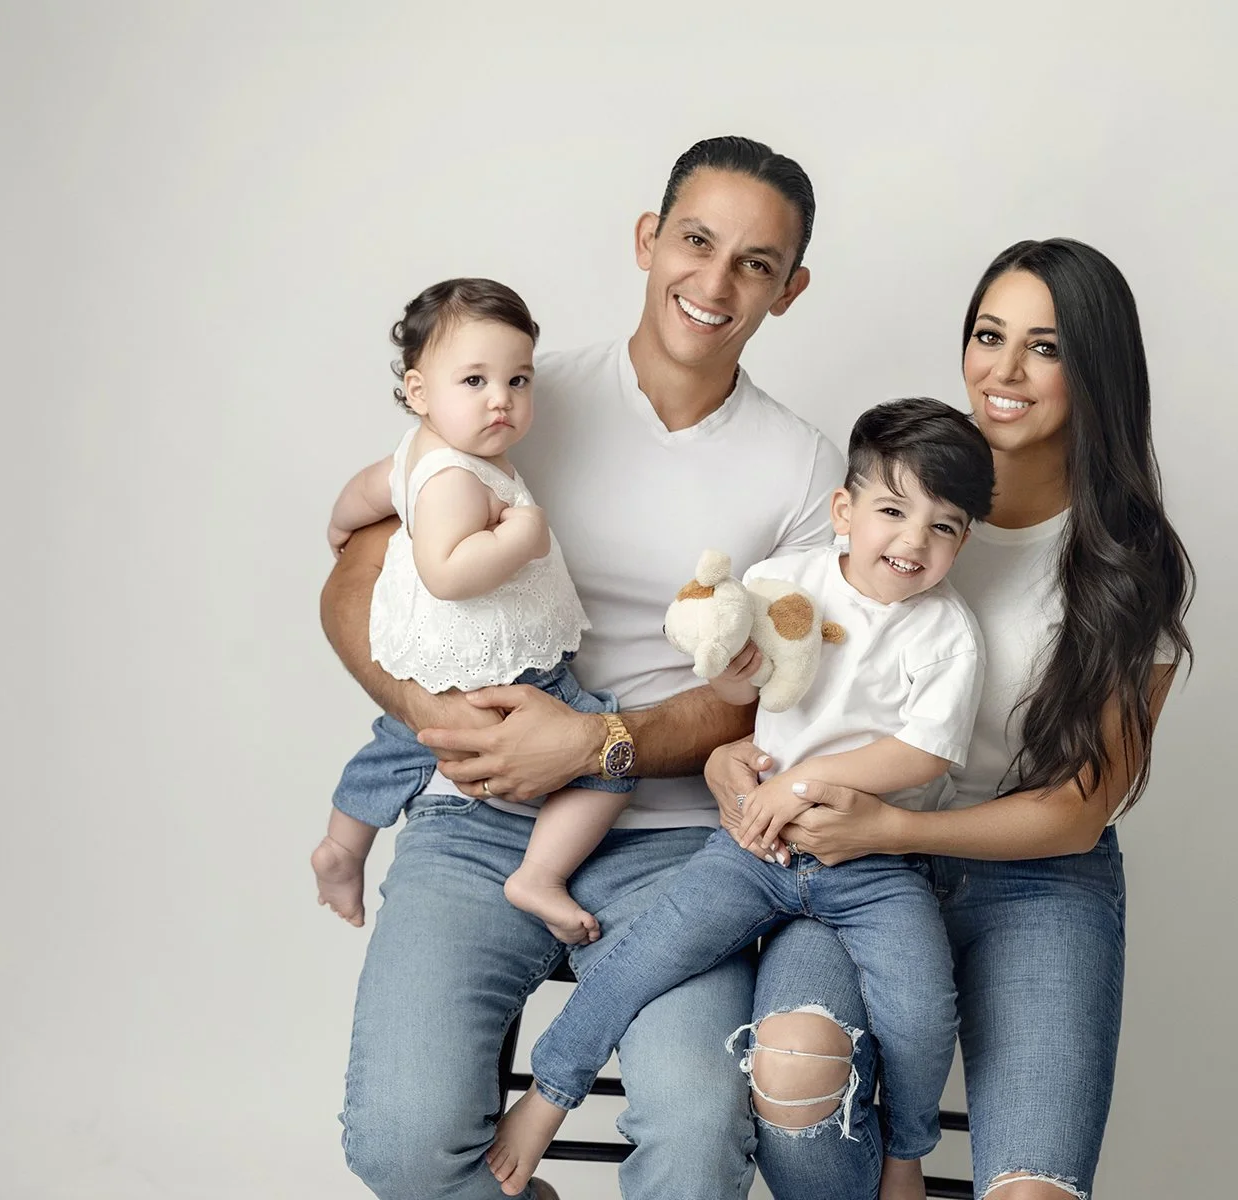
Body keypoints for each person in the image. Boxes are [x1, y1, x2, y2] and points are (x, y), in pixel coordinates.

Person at [320, 136, 840, 1200]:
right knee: (403, 1145)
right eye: (695, 241)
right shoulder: (512, 395)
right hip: (478, 820)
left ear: (788, 291)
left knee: (696, 1140)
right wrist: (441, 718)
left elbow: (781, 690)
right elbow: (357, 573)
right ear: (648, 240)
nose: (715, 282)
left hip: (676, 842)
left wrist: (593, 743)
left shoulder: (803, 469)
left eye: (755, 263)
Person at [710, 238, 1193, 1200]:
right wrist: (733, 754)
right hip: (851, 864)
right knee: (793, 1076)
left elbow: (1081, 811)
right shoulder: (894, 494)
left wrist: (895, 825)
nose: (1003, 372)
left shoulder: (1128, 558)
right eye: (988, 336)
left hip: (1036, 879)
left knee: (1031, 1192)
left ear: (1096, 369)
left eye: (1045, 348)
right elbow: (789, 672)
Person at [486, 398, 994, 1200]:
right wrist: (727, 672)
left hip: (872, 866)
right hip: (754, 848)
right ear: (845, 510)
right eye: (894, 512)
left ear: (962, 542)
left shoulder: (948, 635)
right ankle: (548, 1095)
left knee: (924, 1007)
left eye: (944, 527)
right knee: (643, 955)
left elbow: (922, 752)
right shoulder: (787, 582)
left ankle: (905, 1152)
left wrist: (804, 783)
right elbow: (740, 691)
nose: (913, 542)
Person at [311, 277, 637, 944]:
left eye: (518, 381)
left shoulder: (417, 452)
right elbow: (447, 574)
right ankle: (538, 876)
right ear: (418, 390)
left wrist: (341, 525)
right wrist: (521, 538)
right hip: (506, 671)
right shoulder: (457, 478)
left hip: (436, 664)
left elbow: (367, 489)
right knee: (607, 753)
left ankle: (342, 845)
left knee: (399, 744)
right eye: (474, 381)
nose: (501, 400)